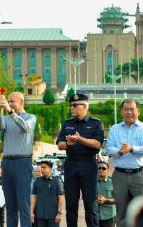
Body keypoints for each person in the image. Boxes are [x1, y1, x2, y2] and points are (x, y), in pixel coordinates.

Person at [57, 93, 104, 227]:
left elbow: (97, 144)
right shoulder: (67, 124)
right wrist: (68, 144)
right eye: (71, 105)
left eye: (75, 105)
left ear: (84, 106)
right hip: (71, 164)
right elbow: (60, 144)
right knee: (71, 205)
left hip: (88, 165)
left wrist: (79, 139)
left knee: (90, 204)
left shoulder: (96, 123)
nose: (71, 108)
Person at [0, 91, 37, 227]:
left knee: (23, 204)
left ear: (22, 102)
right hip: (7, 163)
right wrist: (0, 111)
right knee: (10, 205)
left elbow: (26, 127)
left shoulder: (31, 117)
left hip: (22, 162)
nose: (10, 104)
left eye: (12, 101)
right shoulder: (7, 117)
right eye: (8, 101)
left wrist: (9, 112)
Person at [105, 99, 143, 227]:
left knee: (141, 210)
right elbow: (109, 148)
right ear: (121, 112)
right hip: (119, 175)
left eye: (132, 109)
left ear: (138, 111)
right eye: (126, 109)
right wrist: (120, 151)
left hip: (139, 175)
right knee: (121, 211)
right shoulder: (115, 129)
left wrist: (132, 148)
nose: (129, 112)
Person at [30, 161, 64, 227]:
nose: (42, 169)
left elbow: (61, 198)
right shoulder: (37, 181)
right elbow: (34, 198)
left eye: (44, 167)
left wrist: (59, 213)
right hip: (40, 216)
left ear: (50, 169)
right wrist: (31, 212)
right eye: (41, 167)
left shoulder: (57, 181)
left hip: (53, 216)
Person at [96, 161, 116, 227]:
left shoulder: (114, 183)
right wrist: (95, 200)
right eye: (99, 168)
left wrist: (105, 200)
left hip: (109, 216)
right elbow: (85, 198)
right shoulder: (91, 183)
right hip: (95, 215)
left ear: (107, 170)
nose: (101, 170)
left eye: (103, 168)